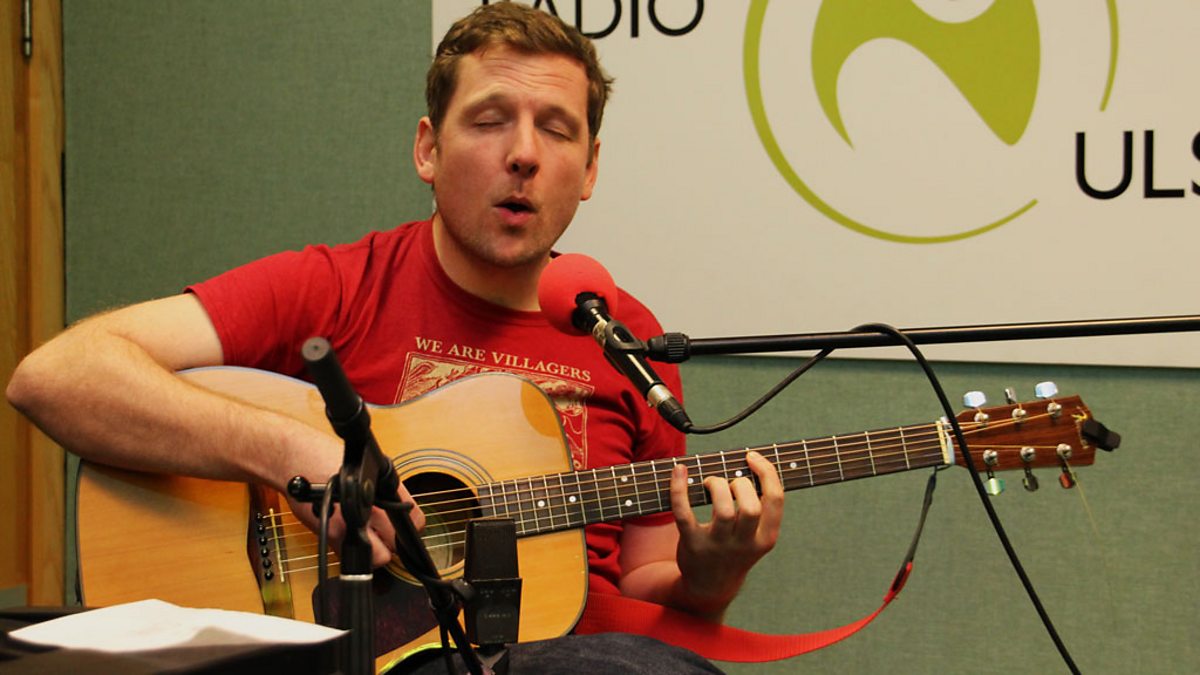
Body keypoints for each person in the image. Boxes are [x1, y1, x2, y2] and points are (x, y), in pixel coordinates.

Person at [7, 3, 782, 672]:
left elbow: (648, 583)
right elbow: (56, 376)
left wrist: (711, 579)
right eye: (489, 120)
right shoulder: (339, 285)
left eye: (556, 129)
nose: (523, 153)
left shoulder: (629, 341)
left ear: (589, 168)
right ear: (427, 149)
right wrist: (294, 455)